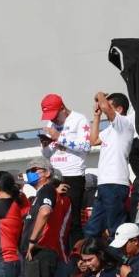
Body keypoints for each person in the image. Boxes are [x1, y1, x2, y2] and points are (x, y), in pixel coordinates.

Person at [19, 158, 73, 277]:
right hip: (36, 254)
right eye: (29, 170)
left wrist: (33, 240)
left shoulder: (47, 190)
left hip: (41, 252)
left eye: (35, 169)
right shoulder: (42, 193)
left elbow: (45, 212)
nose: (30, 173)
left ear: (47, 173)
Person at [85, 92, 134, 241]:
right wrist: (96, 116)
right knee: (92, 229)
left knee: (115, 228)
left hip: (116, 182)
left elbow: (105, 106)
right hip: (104, 183)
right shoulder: (109, 130)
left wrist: (99, 95)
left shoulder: (124, 124)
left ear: (119, 109)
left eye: (109, 105)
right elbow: (93, 140)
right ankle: (94, 258)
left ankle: (121, 261)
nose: (103, 107)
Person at [39, 94, 91, 229]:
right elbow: (46, 154)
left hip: (73, 175)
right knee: (54, 218)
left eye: (55, 115)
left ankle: (73, 249)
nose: (53, 119)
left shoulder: (79, 119)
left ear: (62, 108)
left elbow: (86, 146)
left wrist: (59, 138)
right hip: (54, 175)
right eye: (49, 116)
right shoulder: (50, 124)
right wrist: (45, 145)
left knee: (72, 220)